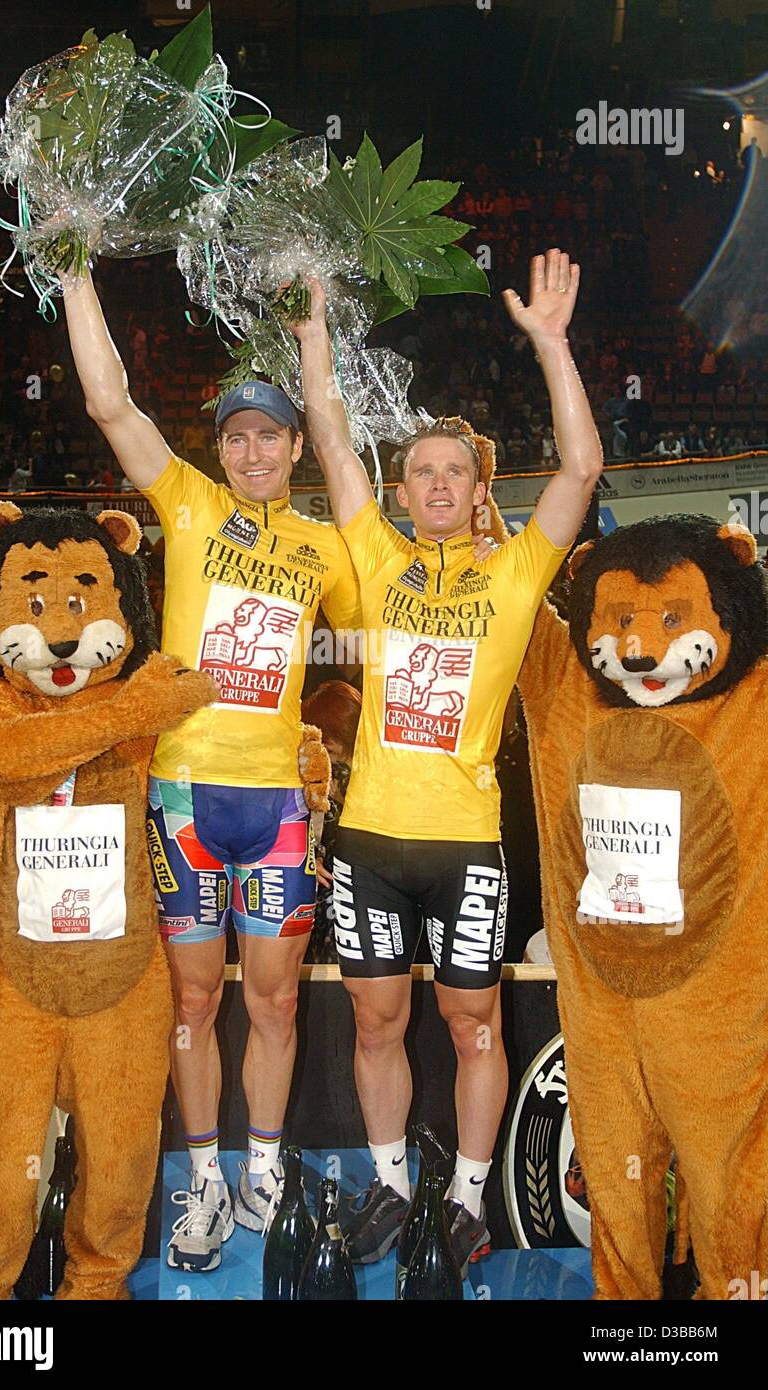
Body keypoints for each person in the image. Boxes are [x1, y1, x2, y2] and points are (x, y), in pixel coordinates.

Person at [289, 248, 603, 1268]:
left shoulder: (514, 574)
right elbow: (331, 438)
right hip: (372, 839)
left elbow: (581, 470)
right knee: (376, 1024)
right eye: (417, 469)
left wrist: (551, 346)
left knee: (473, 1026)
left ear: (477, 491)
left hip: (467, 842)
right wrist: (312, 333)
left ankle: (465, 1199)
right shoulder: (375, 560)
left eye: (450, 471)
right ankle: (388, 1189)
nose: (431, 483)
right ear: (406, 488)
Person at [61, 269, 362, 1273]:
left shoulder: (325, 546)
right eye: (235, 433)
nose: (252, 449)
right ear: (218, 446)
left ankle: (263, 1170)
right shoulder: (184, 504)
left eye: (269, 435)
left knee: (272, 1002)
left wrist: (316, 341)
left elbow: (398, 593)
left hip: (276, 804)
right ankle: (199, 1178)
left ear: (290, 449)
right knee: (192, 1004)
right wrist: (72, 270)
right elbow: (110, 401)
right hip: (183, 798)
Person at [300, 680, 362, 964]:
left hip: (373, 885)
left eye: (333, 732)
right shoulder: (311, 773)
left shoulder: (381, 772)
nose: (327, 742)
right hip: (325, 888)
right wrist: (310, 854)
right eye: (320, 733)